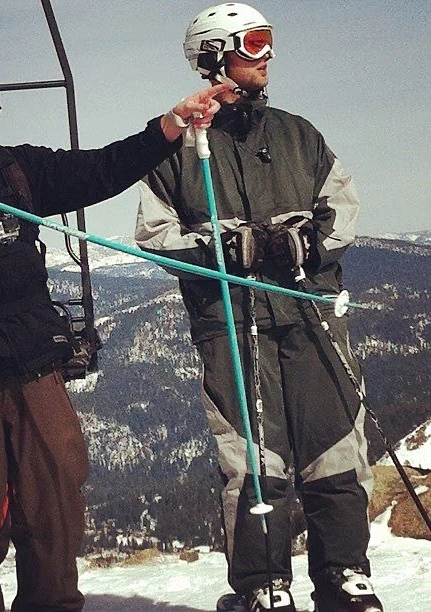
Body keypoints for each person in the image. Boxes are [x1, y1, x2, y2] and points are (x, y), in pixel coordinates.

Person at [0, 53, 230, 611]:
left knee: (55, 503)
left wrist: (171, 125)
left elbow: (102, 169)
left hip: (34, 366)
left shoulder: (17, 171)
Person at [135, 4, 383, 612]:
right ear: (215, 55)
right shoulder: (178, 146)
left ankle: (345, 575)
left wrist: (310, 241)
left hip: (310, 314)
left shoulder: (299, 134)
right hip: (233, 320)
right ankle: (262, 585)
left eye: (268, 41)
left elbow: (341, 204)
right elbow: (153, 231)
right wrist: (220, 246)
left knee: (335, 444)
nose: (266, 55)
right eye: (252, 44)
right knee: (251, 454)